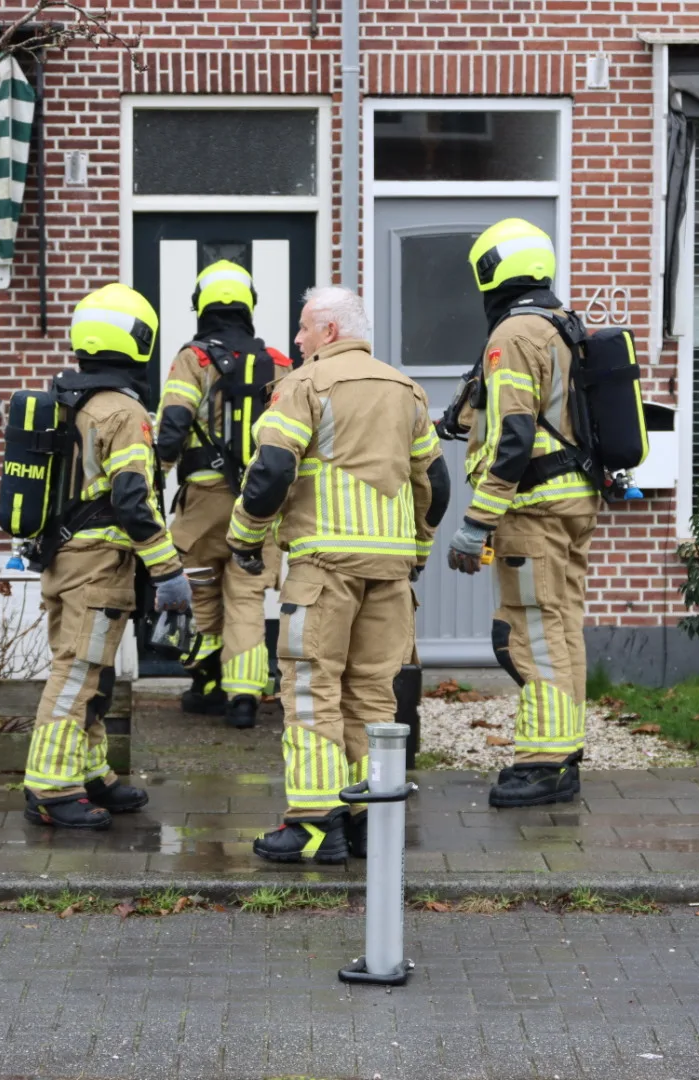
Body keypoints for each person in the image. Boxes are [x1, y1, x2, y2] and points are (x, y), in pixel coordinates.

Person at [228, 285, 449, 863]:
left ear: (329, 330)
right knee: (374, 695)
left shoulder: (303, 385)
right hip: (390, 573)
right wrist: (418, 550)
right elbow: (435, 483)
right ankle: (369, 822)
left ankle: (315, 823)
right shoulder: (407, 390)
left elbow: (272, 470)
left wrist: (244, 537)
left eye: (304, 327)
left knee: (311, 688)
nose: (297, 338)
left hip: (324, 570)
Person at [22, 283, 193, 830]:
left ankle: (91, 771)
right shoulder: (123, 411)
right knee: (77, 673)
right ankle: (51, 788)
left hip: (63, 557)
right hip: (97, 565)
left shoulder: (67, 401)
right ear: (139, 340)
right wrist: (168, 570)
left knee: (91, 673)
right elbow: (133, 499)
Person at [446, 218, 599, 808]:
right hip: (573, 501)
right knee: (560, 626)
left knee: (529, 632)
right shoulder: (562, 325)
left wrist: (477, 521)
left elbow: (515, 435)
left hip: (533, 508)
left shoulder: (513, 334)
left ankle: (544, 765)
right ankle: (564, 751)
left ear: (491, 272)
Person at [154, 260, 292, 729]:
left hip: (204, 501)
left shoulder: (193, 359)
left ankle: (208, 684)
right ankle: (245, 697)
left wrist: (155, 477)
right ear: (249, 305)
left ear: (202, 306)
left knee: (201, 591)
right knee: (247, 597)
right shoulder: (279, 363)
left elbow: (173, 425)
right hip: (260, 502)